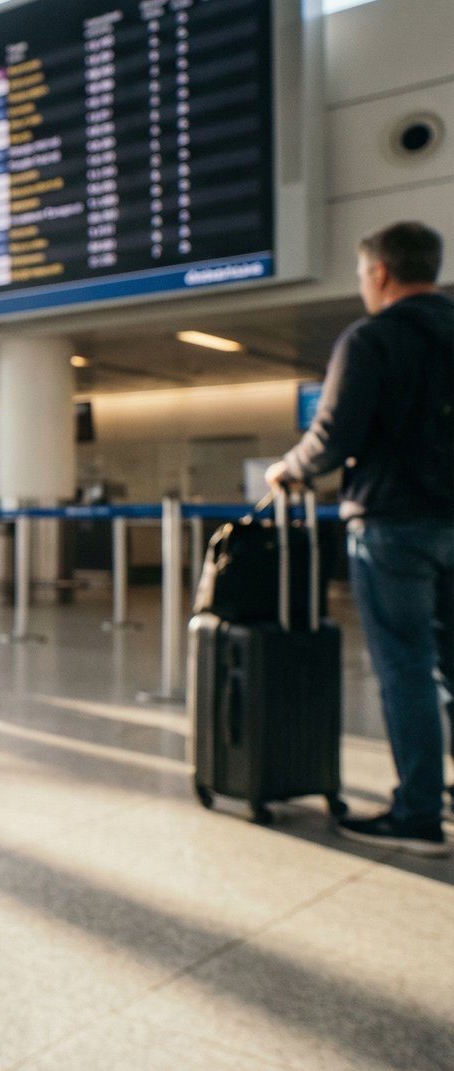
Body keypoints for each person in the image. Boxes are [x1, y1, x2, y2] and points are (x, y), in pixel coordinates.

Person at [266, 220, 454, 855]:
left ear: (379, 272)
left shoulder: (372, 339)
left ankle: (419, 814)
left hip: (394, 523)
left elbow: (334, 436)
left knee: (406, 668)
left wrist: (287, 469)